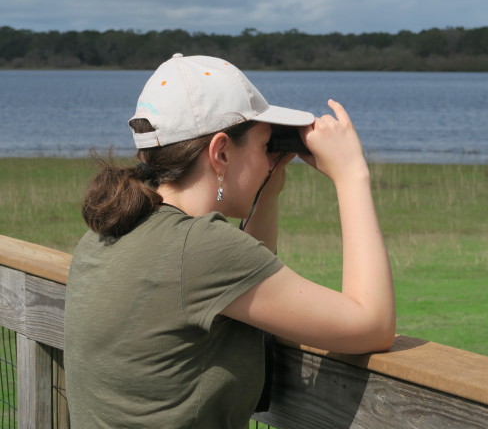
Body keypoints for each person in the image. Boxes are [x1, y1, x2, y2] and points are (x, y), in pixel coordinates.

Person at [64, 54, 395, 429]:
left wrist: (265, 195)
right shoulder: (199, 247)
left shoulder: (111, 232)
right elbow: (372, 324)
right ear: (221, 152)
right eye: (263, 145)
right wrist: (351, 175)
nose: (269, 157)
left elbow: (245, 287)